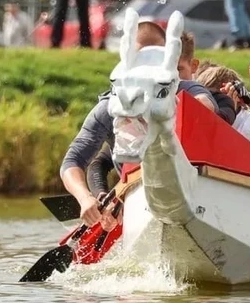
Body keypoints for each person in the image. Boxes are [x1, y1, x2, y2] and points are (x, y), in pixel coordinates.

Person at [60, 21, 218, 227]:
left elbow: (207, 107)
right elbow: (72, 161)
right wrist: (85, 198)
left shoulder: (187, 90)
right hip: (134, 197)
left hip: (191, 186)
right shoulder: (110, 107)